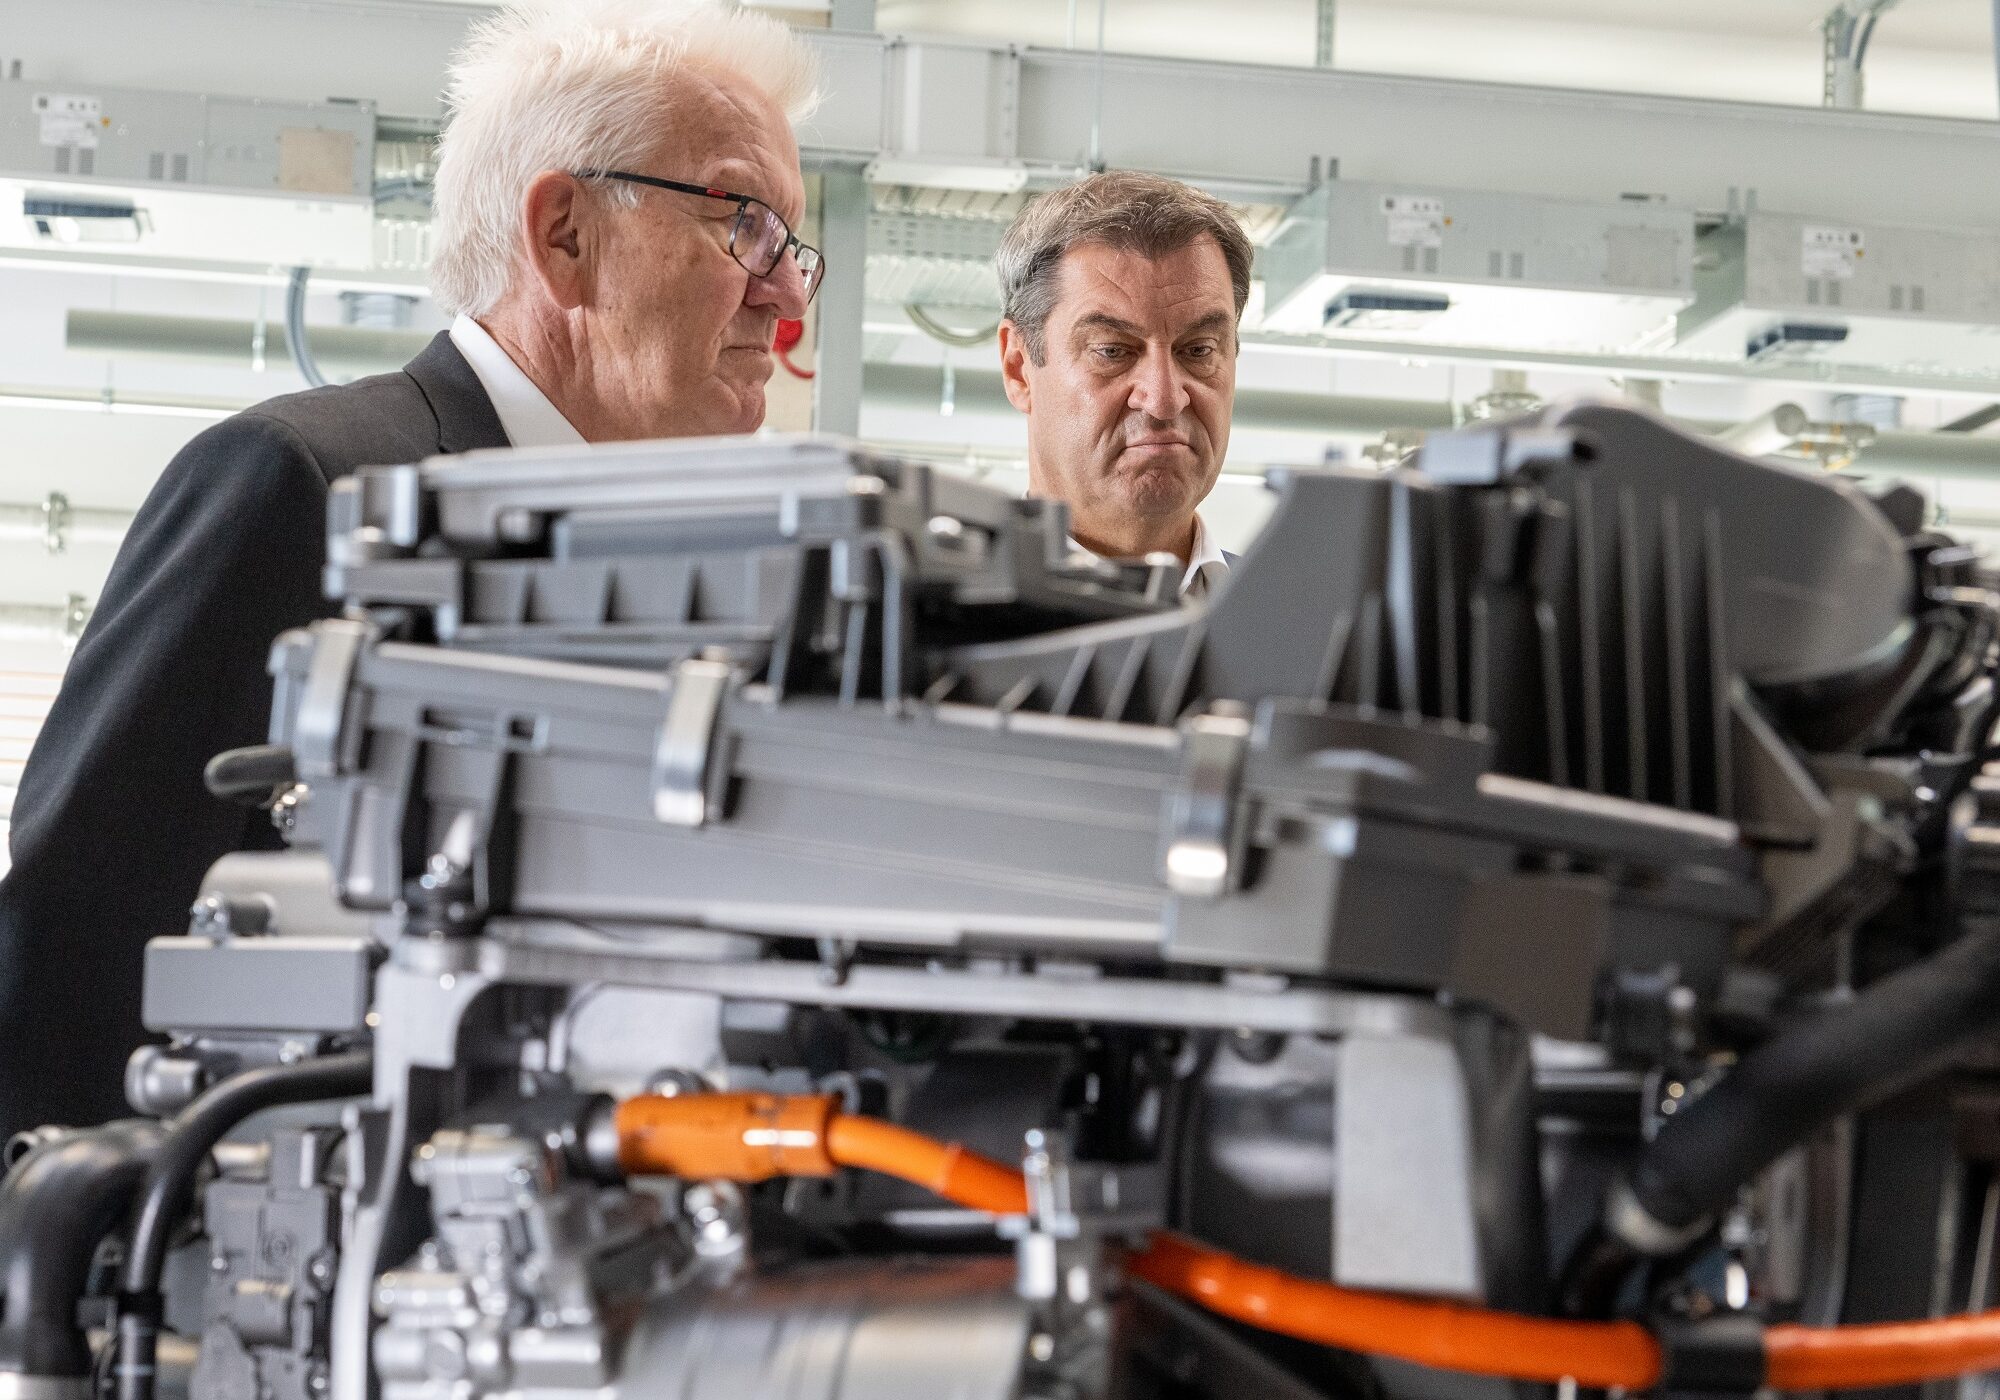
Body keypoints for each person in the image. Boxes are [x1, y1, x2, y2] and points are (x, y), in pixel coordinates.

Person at [0, 0, 821, 1136]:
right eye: (745, 226)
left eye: (793, 250)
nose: (784, 297)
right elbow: (73, 944)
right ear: (565, 235)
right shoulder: (305, 488)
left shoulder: (690, 580)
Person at [995, 171, 1255, 599]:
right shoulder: (927, 628)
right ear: (1019, 367)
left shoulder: (1302, 627)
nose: (1164, 399)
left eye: (1199, 350)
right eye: (1113, 351)